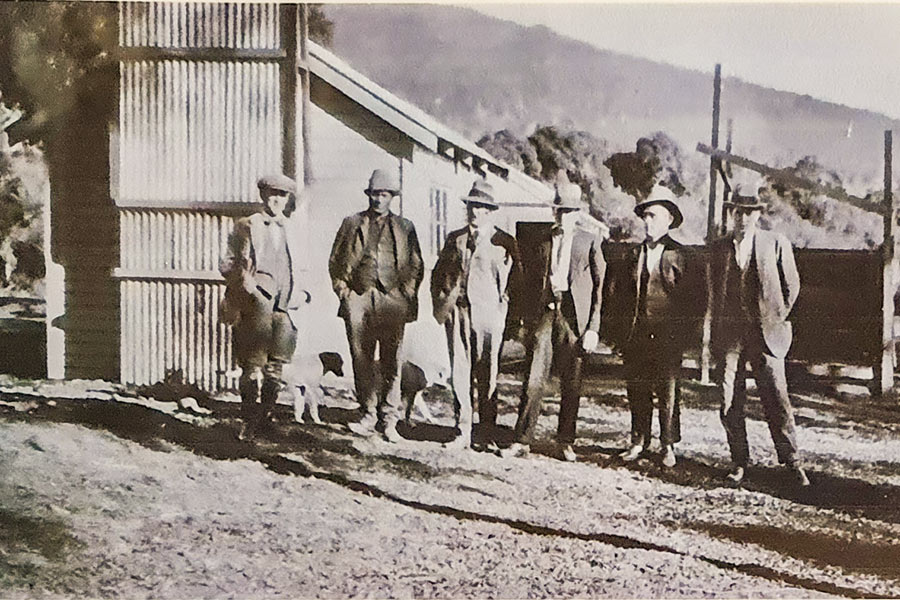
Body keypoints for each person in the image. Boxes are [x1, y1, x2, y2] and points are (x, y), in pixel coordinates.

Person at [710, 183, 809, 486]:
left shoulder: (775, 243)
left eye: (749, 213)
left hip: (766, 334)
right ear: (731, 213)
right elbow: (715, 292)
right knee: (728, 399)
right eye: (738, 212)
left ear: (757, 215)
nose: (743, 219)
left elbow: (792, 287)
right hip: (730, 337)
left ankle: (792, 462)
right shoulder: (719, 248)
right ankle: (740, 461)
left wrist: (775, 319)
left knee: (776, 398)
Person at [502, 173, 606, 461]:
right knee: (534, 377)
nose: (565, 216)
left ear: (579, 213)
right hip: (544, 314)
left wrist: (593, 328)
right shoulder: (541, 240)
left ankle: (565, 441)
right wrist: (523, 321)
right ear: (554, 211)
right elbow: (526, 281)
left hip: (574, 318)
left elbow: (600, 288)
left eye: (571, 212)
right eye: (561, 211)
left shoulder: (590, 241)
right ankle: (522, 439)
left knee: (571, 381)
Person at [328, 168, 424, 443]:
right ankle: (367, 412)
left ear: (392, 197)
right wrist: (343, 291)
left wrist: (406, 293)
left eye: (384, 195)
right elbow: (335, 260)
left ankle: (389, 418)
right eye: (374, 194)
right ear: (368, 195)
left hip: (392, 299)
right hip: (359, 297)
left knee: (392, 360)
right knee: (362, 357)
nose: (379, 200)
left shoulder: (405, 227)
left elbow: (416, 264)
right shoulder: (352, 223)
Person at [431, 179, 522, 449]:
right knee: (460, 371)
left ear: (490, 211)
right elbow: (438, 275)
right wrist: (442, 303)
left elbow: (517, 281)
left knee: (488, 373)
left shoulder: (504, 241)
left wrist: (504, 309)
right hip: (459, 313)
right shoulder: (454, 239)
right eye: (472, 206)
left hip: (489, 316)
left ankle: (487, 431)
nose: (475, 212)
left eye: (482, 208)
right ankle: (462, 429)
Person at [220, 174, 310, 440]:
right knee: (251, 365)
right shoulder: (246, 225)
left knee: (276, 365)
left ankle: (267, 417)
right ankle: (248, 419)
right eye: (272, 194)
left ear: (288, 199)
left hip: (286, 304)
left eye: (283, 196)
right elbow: (226, 263)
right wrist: (242, 279)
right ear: (262, 195)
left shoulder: (295, 228)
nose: (277, 200)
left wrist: (303, 294)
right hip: (255, 302)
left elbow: (305, 266)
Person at [612, 185, 688, 468]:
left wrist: (682, 336)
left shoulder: (680, 255)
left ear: (669, 219)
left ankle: (667, 444)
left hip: (667, 337)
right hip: (637, 335)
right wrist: (621, 333)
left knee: (667, 392)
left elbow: (693, 300)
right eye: (645, 216)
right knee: (637, 389)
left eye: (653, 216)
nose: (648, 222)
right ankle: (638, 440)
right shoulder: (633, 254)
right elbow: (618, 294)